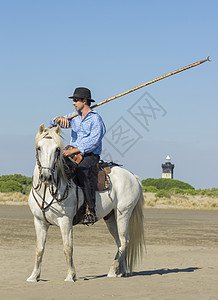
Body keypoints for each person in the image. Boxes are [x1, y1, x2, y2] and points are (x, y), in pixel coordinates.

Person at [50, 87, 106, 224]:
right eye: (73, 100)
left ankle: (90, 211)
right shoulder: (73, 117)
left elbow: (94, 141)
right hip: (72, 154)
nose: (73, 103)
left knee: (83, 172)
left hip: (89, 155)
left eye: (76, 100)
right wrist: (57, 119)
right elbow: (52, 123)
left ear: (84, 101)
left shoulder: (96, 119)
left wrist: (74, 151)